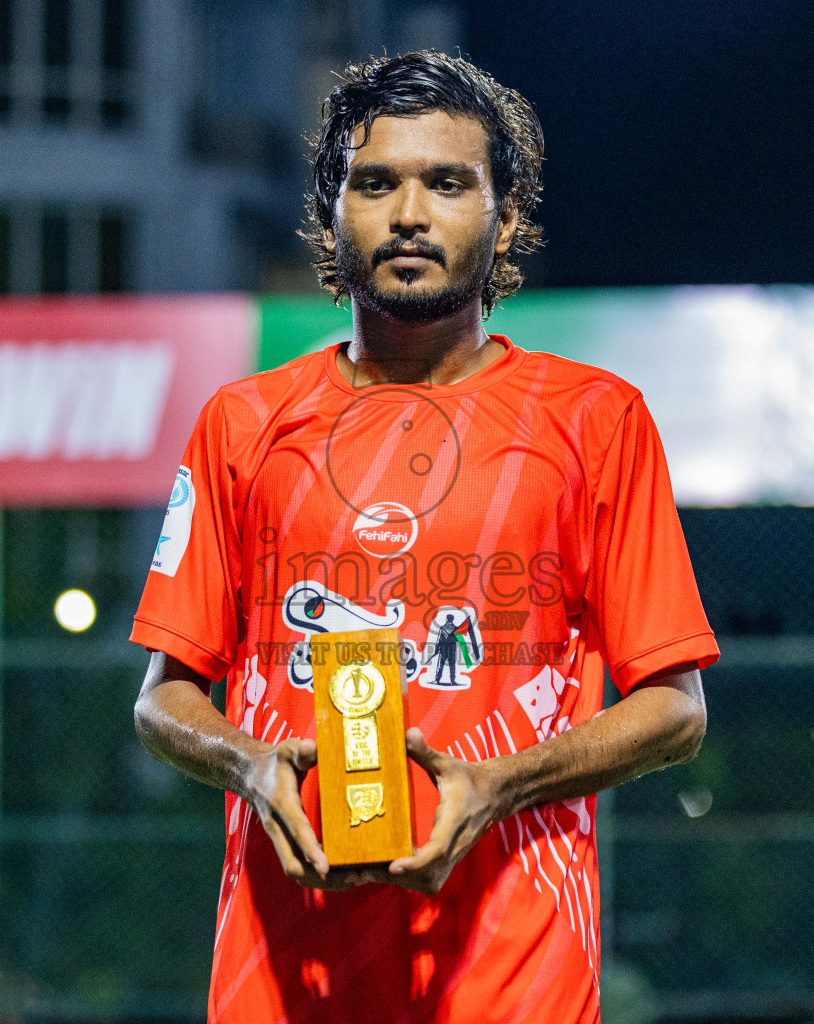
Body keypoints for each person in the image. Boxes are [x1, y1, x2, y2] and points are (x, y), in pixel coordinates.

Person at [131, 50, 718, 1024]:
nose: (409, 213)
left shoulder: (596, 419)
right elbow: (163, 702)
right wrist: (250, 762)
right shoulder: (241, 423)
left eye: (448, 183)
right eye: (375, 183)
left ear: (507, 217)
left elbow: (675, 709)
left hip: (513, 983)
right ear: (329, 214)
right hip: (281, 981)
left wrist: (497, 785)